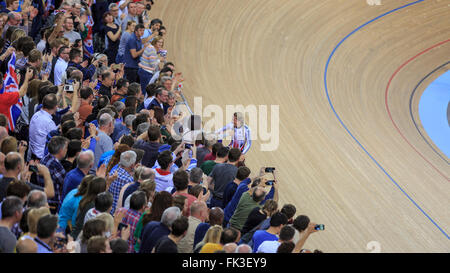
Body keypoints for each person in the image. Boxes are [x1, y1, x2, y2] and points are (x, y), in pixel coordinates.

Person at [41, 136, 69, 212]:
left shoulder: (45, 158)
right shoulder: (56, 165)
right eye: (66, 148)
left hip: (43, 198)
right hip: (52, 203)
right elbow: (66, 183)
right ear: (61, 150)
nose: (67, 150)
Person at [29, 93, 59, 159]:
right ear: (55, 107)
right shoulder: (49, 122)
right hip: (41, 156)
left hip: (32, 153)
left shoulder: (36, 115)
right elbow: (56, 141)